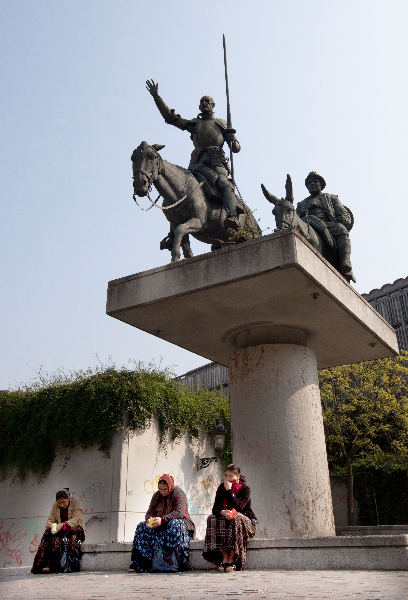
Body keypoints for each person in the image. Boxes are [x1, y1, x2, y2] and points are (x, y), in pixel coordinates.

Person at [146, 79, 243, 231]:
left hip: (217, 163)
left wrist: (232, 140)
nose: (204, 103)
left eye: (207, 101)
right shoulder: (195, 124)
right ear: (199, 106)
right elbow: (171, 119)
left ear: (212, 105)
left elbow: (236, 148)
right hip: (197, 164)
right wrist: (156, 97)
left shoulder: (221, 123)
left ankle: (233, 216)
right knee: (179, 190)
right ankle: (173, 233)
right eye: (202, 102)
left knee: (223, 183)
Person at [296, 171, 356, 282]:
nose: (312, 184)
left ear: (321, 184)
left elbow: (344, 215)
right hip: (308, 224)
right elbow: (296, 219)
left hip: (327, 225)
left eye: (315, 181)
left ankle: (345, 261)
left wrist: (340, 221)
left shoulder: (331, 198)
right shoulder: (301, 204)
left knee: (342, 230)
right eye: (309, 183)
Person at [129, 474, 195, 572]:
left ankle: (174, 563)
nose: (162, 492)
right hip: (161, 527)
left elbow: (179, 512)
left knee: (175, 524)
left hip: (180, 528)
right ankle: (141, 563)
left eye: (165, 489)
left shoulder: (178, 493)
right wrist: (150, 521)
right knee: (141, 526)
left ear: (170, 486)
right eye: (160, 489)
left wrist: (162, 520)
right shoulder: (156, 496)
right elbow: (149, 513)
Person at [203, 464, 256, 572]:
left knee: (235, 517)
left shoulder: (245, 489)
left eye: (231, 476)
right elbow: (215, 508)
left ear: (238, 476)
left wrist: (229, 491)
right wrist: (222, 512)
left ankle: (233, 558)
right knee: (212, 518)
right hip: (226, 519)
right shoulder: (221, 487)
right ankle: (224, 557)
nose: (228, 479)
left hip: (245, 522)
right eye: (226, 476)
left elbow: (239, 507)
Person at [31, 489, 86, 574]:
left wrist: (62, 525)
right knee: (48, 534)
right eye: (59, 503)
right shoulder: (56, 505)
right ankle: (43, 565)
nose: (61, 505)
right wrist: (49, 523)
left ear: (68, 499)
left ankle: (65, 565)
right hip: (61, 530)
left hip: (76, 529)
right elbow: (51, 517)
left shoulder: (76, 501)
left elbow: (76, 519)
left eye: (64, 502)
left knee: (71, 532)